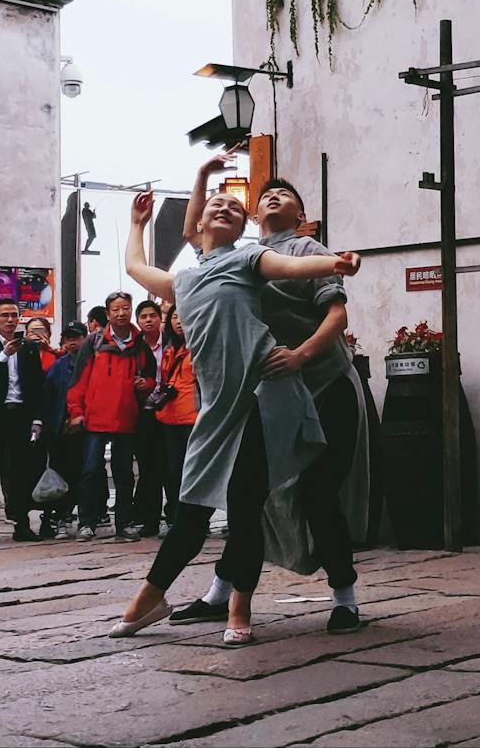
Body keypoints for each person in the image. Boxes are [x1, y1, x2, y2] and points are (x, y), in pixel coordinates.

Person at [108, 189, 359, 645]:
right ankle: (175, 593)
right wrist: (139, 222)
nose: (226, 208)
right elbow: (141, 265)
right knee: (202, 505)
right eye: (216, 205)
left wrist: (334, 265)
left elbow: (302, 278)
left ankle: (274, 602)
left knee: (278, 500)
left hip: (284, 388)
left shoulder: (264, 255)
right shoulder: (193, 275)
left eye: (235, 207)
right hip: (222, 402)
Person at [173, 168, 372, 634]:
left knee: (319, 493)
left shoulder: (307, 249)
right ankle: (221, 593)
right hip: (272, 395)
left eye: (285, 195)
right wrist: (202, 176)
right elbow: (192, 231)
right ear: (252, 214)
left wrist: (301, 355)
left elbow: (337, 314)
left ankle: (346, 598)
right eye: (267, 196)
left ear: (300, 215)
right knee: (248, 497)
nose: (274, 198)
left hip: (325, 385)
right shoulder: (241, 254)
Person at [65, 292, 156, 541]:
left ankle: (123, 524)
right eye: (115, 309)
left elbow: (151, 377)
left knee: (124, 473)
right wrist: (76, 411)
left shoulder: (140, 345)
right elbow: (78, 382)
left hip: (126, 419)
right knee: (90, 471)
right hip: (95, 418)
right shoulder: (93, 343)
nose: (121, 313)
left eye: (125, 308)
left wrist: (145, 384)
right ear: (108, 314)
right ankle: (87, 521)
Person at [0, 301, 46, 545]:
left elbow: (37, 386)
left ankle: (22, 525)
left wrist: (37, 418)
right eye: (5, 316)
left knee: (21, 471)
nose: (11, 320)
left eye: (15, 315)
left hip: (20, 413)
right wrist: (3, 356)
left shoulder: (30, 349)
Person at [39, 321, 88, 538]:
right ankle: (61, 518)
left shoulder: (93, 363)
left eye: (76, 337)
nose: (72, 343)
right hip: (60, 431)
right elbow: (47, 399)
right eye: (68, 338)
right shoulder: (58, 367)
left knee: (86, 475)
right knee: (60, 475)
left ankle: (87, 519)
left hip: (87, 429)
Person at [153, 306, 199, 536]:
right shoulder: (170, 349)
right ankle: (174, 517)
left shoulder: (201, 345)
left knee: (194, 471)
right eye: (174, 316)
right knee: (173, 470)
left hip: (194, 417)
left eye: (183, 314)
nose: (179, 321)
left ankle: (194, 520)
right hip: (170, 417)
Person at [132, 299, 170, 537]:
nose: (148, 320)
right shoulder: (134, 347)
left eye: (152, 316)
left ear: (159, 319)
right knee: (147, 469)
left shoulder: (173, 343)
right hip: (143, 412)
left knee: (172, 467)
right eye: (143, 316)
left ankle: (175, 516)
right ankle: (150, 520)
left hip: (170, 411)